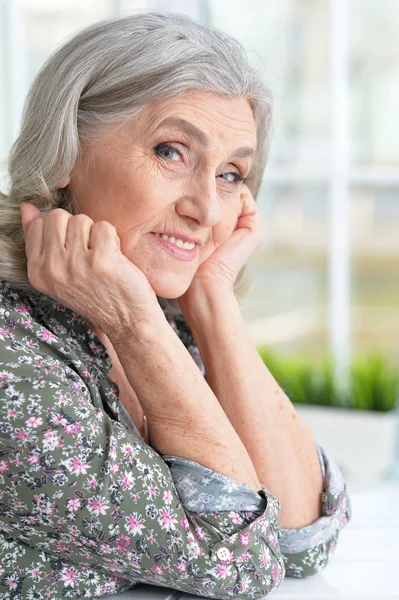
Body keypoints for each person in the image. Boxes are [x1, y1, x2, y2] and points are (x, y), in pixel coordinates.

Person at [0, 11, 351, 599]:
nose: (208, 211)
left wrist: (212, 300)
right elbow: (242, 561)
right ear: (62, 155)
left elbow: (301, 536)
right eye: (171, 151)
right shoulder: (15, 360)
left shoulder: (160, 314)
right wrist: (135, 324)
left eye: (232, 174)